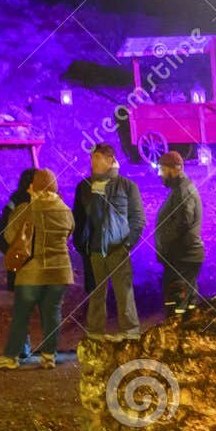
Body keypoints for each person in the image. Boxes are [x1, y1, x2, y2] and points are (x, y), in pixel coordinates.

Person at [0, 168, 73, 369]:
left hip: (32, 272)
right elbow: (69, 233)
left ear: (35, 187)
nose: (28, 186)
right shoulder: (65, 210)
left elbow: (10, 237)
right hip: (60, 271)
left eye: (32, 184)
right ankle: (49, 355)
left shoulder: (26, 208)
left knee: (21, 315)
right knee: (52, 312)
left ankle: (11, 357)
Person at [71, 143, 145, 341]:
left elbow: (138, 218)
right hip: (94, 249)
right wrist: (82, 245)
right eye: (92, 158)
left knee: (124, 291)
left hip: (118, 248)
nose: (92, 162)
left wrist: (128, 243)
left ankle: (129, 332)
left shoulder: (127, 186)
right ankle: (95, 333)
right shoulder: (84, 187)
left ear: (110, 160)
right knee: (96, 292)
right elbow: (77, 218)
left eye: (97, 158)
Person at [154, 151, 204, 318]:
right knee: (186, 304)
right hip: (181, 257)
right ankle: (185, 336)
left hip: (183, 258)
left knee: (177, 306)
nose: (160, 175)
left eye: (162, 170)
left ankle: (176, 338)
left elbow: (184, 221)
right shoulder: (179, 189)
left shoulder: (183, 191)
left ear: (174, 169)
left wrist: (165, 240)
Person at [0, 167, 37, 361]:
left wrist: (11, 253)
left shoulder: (13, 203)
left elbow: (1, 233)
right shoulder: (45, 202)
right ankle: (49, 350)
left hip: (19, 263)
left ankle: (23, 346)